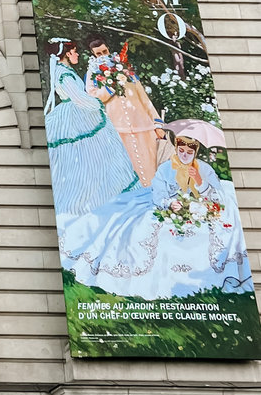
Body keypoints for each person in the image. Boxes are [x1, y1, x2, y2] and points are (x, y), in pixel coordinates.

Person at [59, 131, 253, 300]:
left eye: (189, 152)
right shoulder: (167, 168)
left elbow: (216, 196)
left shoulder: (204, 169)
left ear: (195, 153)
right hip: (173, 206)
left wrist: (199, 181)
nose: (184, 155)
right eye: (181, 151)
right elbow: (159, 194)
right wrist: (170, 203)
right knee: (141, 226)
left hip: (198, 206)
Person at [43, 38, 139, 219]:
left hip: (79, 114)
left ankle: (105, 195)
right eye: (75, 51)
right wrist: (98, 103)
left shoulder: (65, 70)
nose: (78, 54)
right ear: (67, 53)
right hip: (76, 117)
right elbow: (79, 98)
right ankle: (91, 202)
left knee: (99, 158)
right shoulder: (63, 73)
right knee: (89, 160)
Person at [84, 35, 165, 186]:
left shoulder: (124, 67)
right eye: (98, 54)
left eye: (105, 51)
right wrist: (109, 88)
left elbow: (143, 97)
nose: (103, 56)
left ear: (109, 49)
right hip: (117, 127)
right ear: (93, 55)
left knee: (151, 164)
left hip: (142, 124)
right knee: (128, 168)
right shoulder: (92, 73)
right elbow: (93, 98)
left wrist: (157, 124)